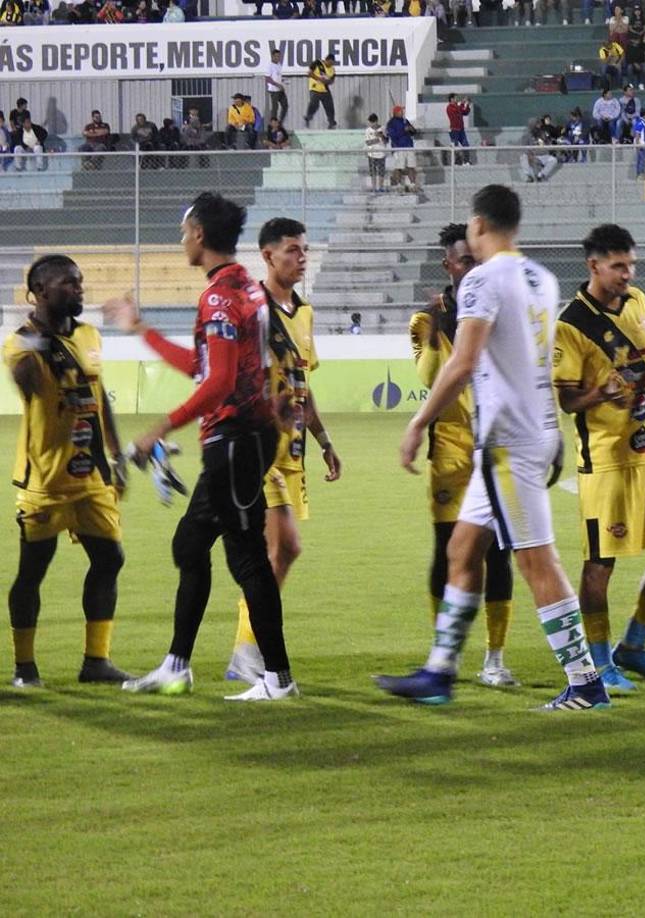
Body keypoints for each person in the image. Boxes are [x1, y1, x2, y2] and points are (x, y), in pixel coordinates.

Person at [382, 185, 610, 711]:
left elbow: (462, 364)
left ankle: (585, 684)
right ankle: (440, 672)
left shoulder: (482, 280)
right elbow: (534, 362)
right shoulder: (543, 279)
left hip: (507, 441)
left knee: (536, 562)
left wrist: (419, 422)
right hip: (524, 434)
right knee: (463, 551)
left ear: (479, 225)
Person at [107, 193, 297, 701]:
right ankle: (176, 666)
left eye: (184, 229)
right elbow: (205, 366)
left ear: (197, 235)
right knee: (189, 546)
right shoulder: (245, 289)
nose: (181, 238)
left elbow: (217, 384)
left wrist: (159, 428)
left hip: (234, 440)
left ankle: (278, 678)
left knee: (248, 559)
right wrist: (141, 329)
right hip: (245, 438)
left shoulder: (218, 297)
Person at [552, 224, 645, 692]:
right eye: (618, 266)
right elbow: (568, 401)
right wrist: (601, 392)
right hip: (606, 460)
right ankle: (598, 664)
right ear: (593, 265)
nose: (627, 274)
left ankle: (633, 647)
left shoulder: (638, 302)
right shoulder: (571, 324)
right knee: (600, 564)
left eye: (631, 264)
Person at [4, 255, 130, 689]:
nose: (79, 289)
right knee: (33, 571)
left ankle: (96, 661)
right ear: (37, 291)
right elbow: (26, 382)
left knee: (110, 558)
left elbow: (99, 396)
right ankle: (25, 668)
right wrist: (40, 346)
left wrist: (116, 455)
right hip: (45, 482)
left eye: (80, 282)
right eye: (67, 284)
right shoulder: (20, 342)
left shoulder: (90, 335)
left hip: (91, 478)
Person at [224, 218, 341, 685]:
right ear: (268, 256)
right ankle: (249, 652)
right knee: (283, 546)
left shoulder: (304, 313)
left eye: (305, 249)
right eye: (293, 250)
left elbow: (302, 388)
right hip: (258, 450)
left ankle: (247, 651)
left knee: (282, 553)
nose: (302, 257)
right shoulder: (252, 309)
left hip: (292, 453)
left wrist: (325, 442)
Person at [408, 224, 519, 689]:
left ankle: (494, 658)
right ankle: (444, 656)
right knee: (446, 551)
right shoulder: (424, 321)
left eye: (477, 259)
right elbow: (428, 378)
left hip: (495, 446)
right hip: (450, 450)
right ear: (448, 265)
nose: (471, 267)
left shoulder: (498, 314)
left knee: (496, 554)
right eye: (463, 260)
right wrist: (437, 331)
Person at [385, 106, 419, 192]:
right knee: (399, 167)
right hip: (398, 147)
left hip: (409, 146)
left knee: (411, 165)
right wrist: (403, 130)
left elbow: (414, 132)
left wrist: (412, 129)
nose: (402, 112)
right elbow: (392, 135)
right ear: (396, 112)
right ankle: (399, 184)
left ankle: (412, 184)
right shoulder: (391, 123)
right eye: (401, 111)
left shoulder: (405, 120)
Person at [305, 54, 337, 129]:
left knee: (330, 106)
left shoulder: (332, 69)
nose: (331, 65)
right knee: (314, 104)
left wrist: (327, 81)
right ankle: (308, 117)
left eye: (332, 64)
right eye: (330, 63)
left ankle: (331, 123)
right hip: (315, 88)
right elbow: (309, 73)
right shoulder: (317, 63)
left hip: (325, 90)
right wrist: (319, 79)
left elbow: (332, 81)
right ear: (326, 60)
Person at [364, 113, 388, 192]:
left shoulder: (383, 128)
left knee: (381, 171)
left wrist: (381, 136)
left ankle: (380, 187)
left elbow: (386, 141)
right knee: (372, 172)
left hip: (381, 153)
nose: (372, 124)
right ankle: (374, 187)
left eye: (373, 122)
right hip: (372, 154)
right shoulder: (367, 130)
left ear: (377, 121)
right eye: (371, 123)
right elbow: (367, 142)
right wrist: (377, 140)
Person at [445, 94, 472, 165]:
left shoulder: (458, 107)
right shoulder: (449, 107)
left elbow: (465, 112)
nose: (457, 100)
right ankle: (457, 161)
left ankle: (466, 161)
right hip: (454, 130)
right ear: (452, 99)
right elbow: (458, 110)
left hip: (461, 130)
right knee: (455, 147)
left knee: (466, 144)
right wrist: (463, 103)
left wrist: (468, 105)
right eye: (456, 98)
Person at [265, 48, 288, 125]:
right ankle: (273, 124)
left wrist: (284, 82)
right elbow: (268, 78)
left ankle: (280, 122)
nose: (277, 58)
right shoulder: (269, 66)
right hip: (273, 90)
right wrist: (277, 85)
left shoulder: (279, 65)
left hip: (280, 89)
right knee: (275, 108)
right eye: (276, 56)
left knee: (285, 105)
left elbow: (278, 76)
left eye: (279, 56)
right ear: (272, 56)